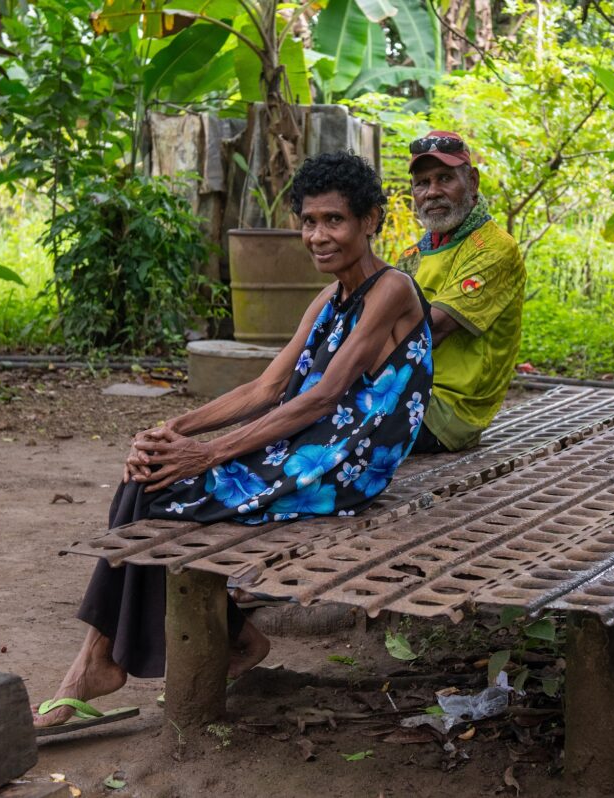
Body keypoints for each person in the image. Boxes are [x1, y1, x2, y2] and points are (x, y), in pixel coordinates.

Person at [34, 152, 434, 730]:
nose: (318, 236)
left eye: (334, 221)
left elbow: (324, 398)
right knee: (147, 471)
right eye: (309, 221)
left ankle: (114, 660)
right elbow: (268, 386)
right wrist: (171, 431)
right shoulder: (328, 300)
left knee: (168, 490)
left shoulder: (392, 288)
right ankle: (154, 651)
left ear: (371, 219)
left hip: (348, 464)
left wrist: (212, 451)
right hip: (308, 445)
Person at [397, 131, 526, 454]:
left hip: (446, 412)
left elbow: (430, 331)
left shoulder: (495, 248)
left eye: (445, 178)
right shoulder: (412, 256)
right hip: (403, 390)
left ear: (472, 181)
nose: (432, 192)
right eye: (422, 183)